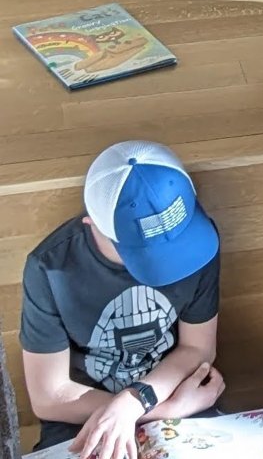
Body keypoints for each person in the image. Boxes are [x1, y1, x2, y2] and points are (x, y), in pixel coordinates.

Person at [18, 141, 225, 459]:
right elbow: (50, 396)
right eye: (145, 255)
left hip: (170, 391)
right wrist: (163, 410)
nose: (173, 261)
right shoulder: (50, 267)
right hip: (84, 416)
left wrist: (134, 403)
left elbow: (197, 347)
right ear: (91, 224)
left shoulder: (198, 242)